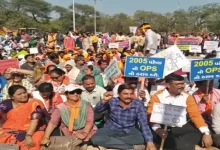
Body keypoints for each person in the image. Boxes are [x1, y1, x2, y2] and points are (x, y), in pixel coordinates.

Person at [147, 73, 213, 150]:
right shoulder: (157, 97)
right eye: (178, 84)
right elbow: (150, 115)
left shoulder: (187, 96)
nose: (182, 86)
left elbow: (195, 115)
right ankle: (193, 147)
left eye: (183, 84)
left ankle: (186, 145)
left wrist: (206, 133)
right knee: (168, 140)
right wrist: (158, 130)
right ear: (168, 85)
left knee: (198, 135)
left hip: (183, 126)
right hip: (165, 128)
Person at [91, 84, 156, 150]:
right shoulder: (112, 101)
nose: (129, 96)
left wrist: (150, 142)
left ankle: (109, 143)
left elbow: (144, 123)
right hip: (111, 128)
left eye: (131, 94)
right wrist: (104, 100)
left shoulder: (138, 104)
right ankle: (130, 147)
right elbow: (98, 110)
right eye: (125, 94)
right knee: (95, 138)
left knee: (141, 139)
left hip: (129, 130)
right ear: (119, 94)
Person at [0, 85, 46, 150]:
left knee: (33, 142)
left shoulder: (34, 103)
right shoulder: (6, 103)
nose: (23, 95)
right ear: (12, 97)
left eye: (24, 93)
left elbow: (35, 120)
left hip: (33, 130)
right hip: (11, 129)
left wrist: (28, 135)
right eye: (19, 94)